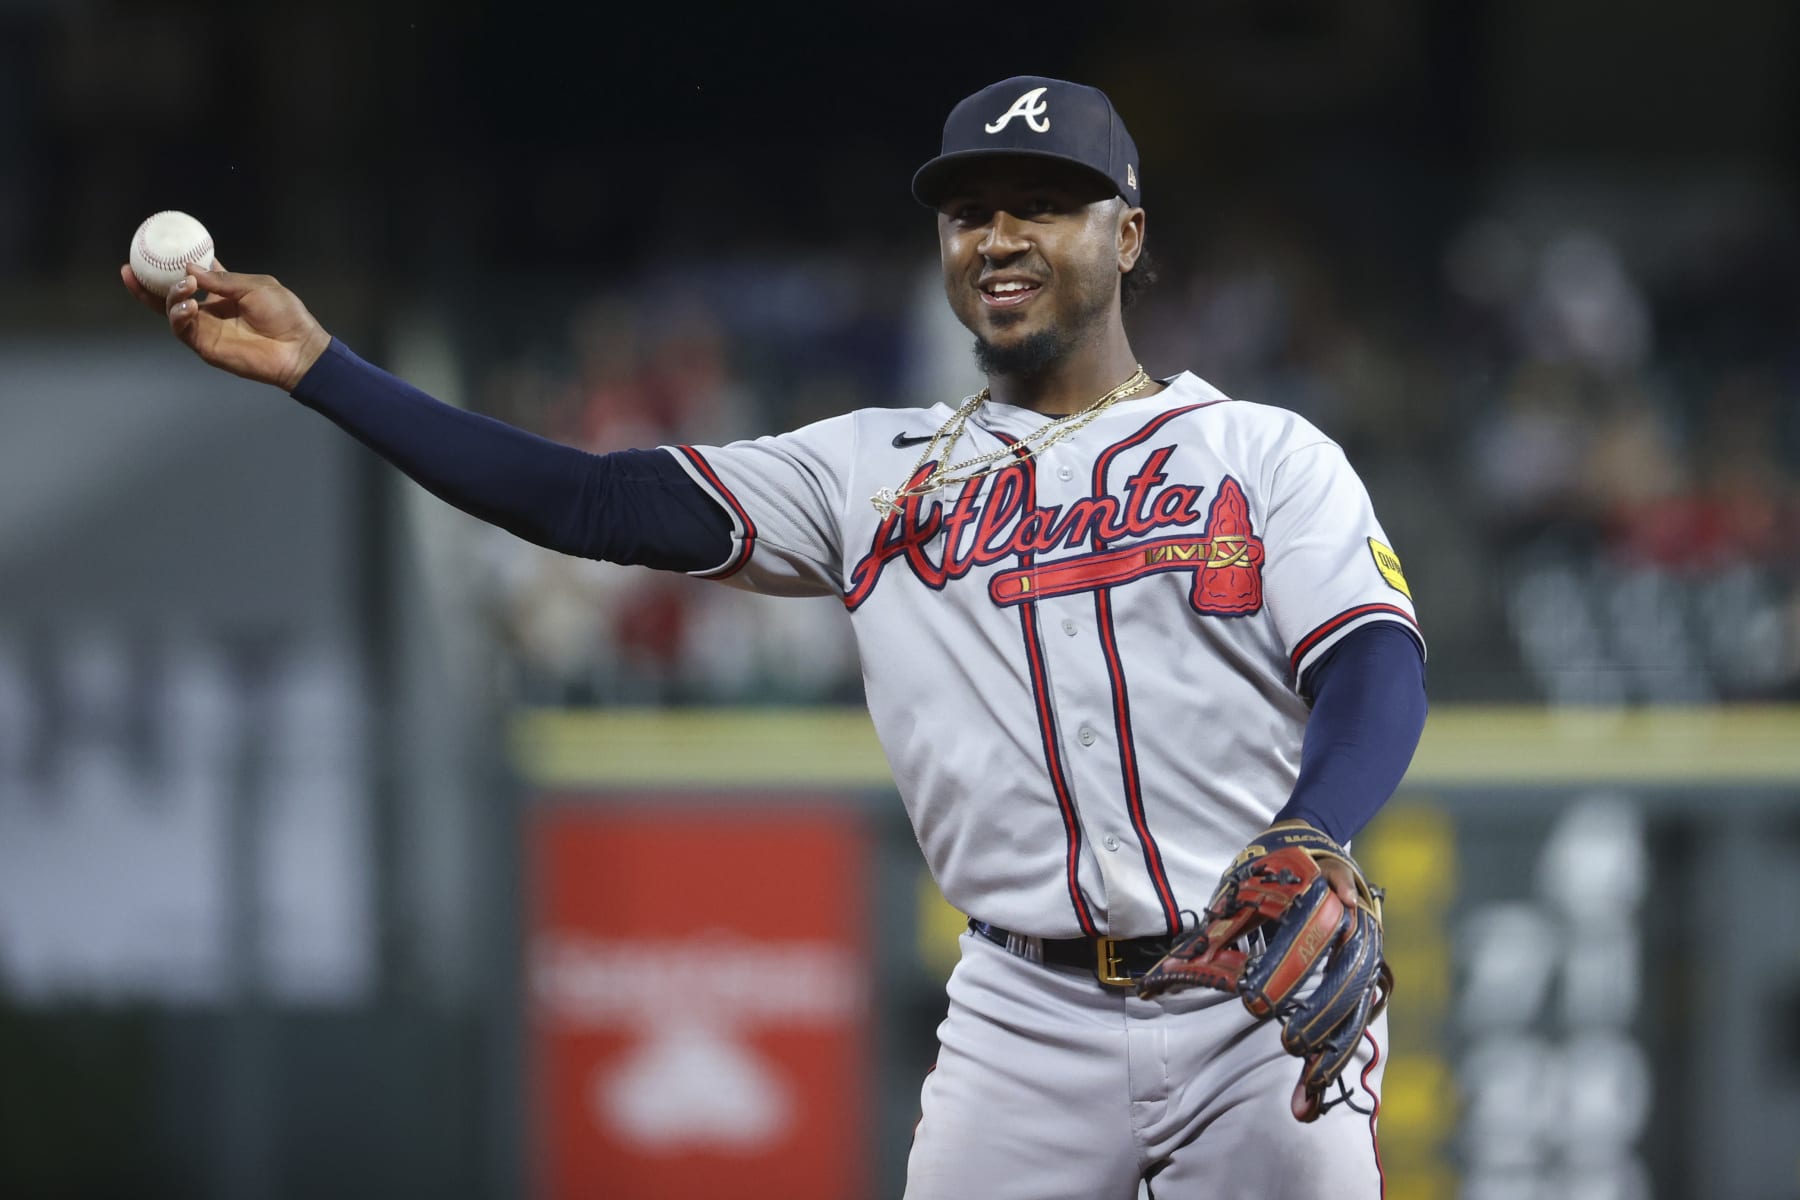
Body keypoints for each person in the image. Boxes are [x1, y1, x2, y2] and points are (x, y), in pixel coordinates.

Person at [124, 75, 1427, 1199]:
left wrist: (1315, 828)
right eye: (972, 211)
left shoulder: (1256, 452)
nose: (1001, 236)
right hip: (1021, 1019)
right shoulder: (869, 472)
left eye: (1043, 201)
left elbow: (1371, 657)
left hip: (1252, 987)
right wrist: (323, 369)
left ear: (1129, 233)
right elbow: (592, 501)